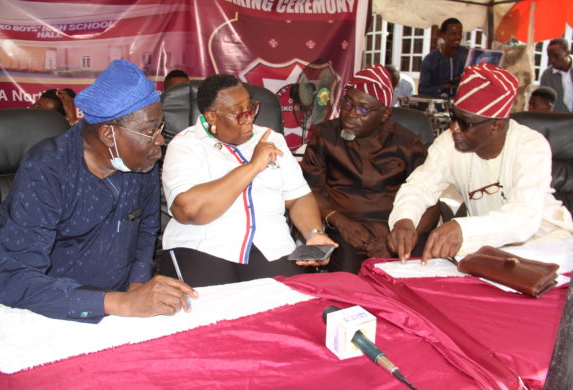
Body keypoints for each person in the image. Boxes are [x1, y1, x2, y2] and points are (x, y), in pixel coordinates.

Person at [0, 59, 197, 323]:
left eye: (160, 127)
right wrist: (122, 302)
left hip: (114, 305)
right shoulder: (46, 170)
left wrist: (137, 284)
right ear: (109, 135)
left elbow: (145, 230)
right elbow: (17, 281)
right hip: (44, 310)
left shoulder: (142, 161)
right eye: (149, 131)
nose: (159, 140)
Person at [158, 74, 336, 286]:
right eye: (239, 113)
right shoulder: (186, 145)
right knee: (212, 309)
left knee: (286, 305)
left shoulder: (272, 139)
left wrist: (313, 233)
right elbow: (188, 210)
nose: (250, 117)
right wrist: (252, 167)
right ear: (212, 117)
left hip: (271, 245)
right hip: (202, 245)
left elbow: (298, 197)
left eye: (250, 107)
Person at [388, 64, 573, 264]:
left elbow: (524, 217)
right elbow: (420, 186)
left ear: (496, 126)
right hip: (490, 250)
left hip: (545, 247)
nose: (454, 127)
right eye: (453, 116)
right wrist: (404, 220)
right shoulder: (449, 143)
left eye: (464, 123)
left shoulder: (531, 146)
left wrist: (462, 228)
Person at [301, 64, 438, 273]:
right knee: (347, 287)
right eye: (348, 102)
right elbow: (308, 192)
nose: (351, 114)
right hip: (345, 230)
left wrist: (401, 236)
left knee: (410, 286)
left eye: (363, 109)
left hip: (398, 230)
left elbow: (431, 203)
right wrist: (339, 221)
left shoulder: (407, 143)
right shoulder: (326, 135)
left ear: (385, 114)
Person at [418, 18, 469, 98]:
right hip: (438, 107)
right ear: (442, 35)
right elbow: (422, 90)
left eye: (460, 33)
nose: (458, 37)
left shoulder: (467, 55)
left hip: (463, 106)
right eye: (453, 33)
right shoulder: (430, 60)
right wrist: (443, 87)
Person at [540, 38, 572, 113]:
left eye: (556, 56)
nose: (552, 60)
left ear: (567, 53)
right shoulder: (547, 75)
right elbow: (544, 102)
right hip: (559, 122)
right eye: (549, 56)